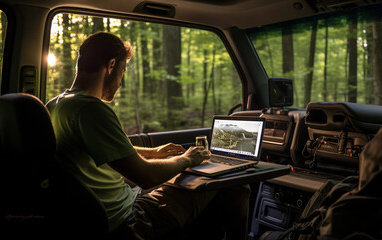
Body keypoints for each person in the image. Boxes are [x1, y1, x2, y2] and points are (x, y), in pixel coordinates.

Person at [46, 32, 250, 240]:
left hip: (104, 209)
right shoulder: (91, 109)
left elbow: (111, 150)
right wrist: (187, 159)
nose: (120, 83)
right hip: (129, 220)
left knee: (185, 178)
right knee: (232, 180)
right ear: (111, 65)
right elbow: (146, 176)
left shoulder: (56, 105)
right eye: (122, 73)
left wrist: (155, 152)